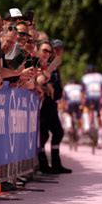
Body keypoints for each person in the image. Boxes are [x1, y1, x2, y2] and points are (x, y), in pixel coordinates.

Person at [36, 41, 72, 174]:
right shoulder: (39, 64)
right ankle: (43, 165)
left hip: (52, 103)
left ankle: (56, 163)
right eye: (44, 50)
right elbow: (38, 80)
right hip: (41, 104)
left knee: (58, 132)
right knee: (42, 135)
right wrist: (45, 85)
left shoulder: (53, 66)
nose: (48, 54)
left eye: (50, 51)